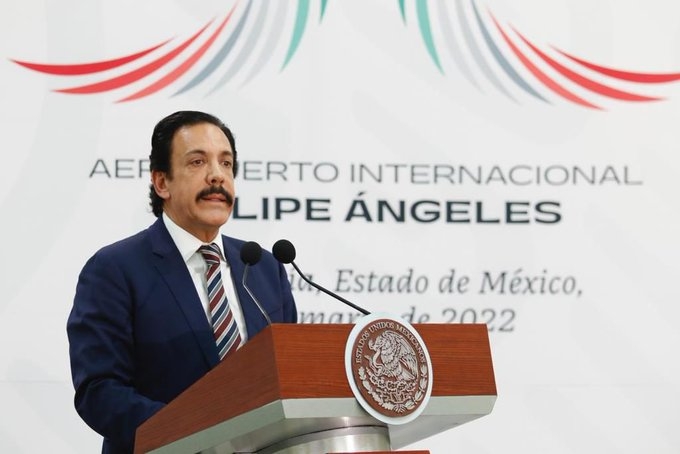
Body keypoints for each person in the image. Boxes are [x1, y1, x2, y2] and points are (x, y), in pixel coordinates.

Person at [66, 110, 297, 454]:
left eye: (226, 163)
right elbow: (99, 392)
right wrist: (198, 434)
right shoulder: (115, 269)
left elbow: (290, 379)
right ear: (162, 183)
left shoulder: (264, 267)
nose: (217, 176)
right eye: (197, 162)